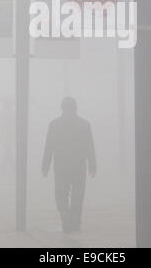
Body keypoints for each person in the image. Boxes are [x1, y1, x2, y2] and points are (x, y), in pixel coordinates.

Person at [42, 97, 96, 233]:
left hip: (61, 166)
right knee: (78, 195)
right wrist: (92, 166)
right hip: (79, 166)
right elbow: (90, 146)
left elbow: (49, 147)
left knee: (61, 194)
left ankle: (66, 218)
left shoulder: (54, 124)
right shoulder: (84, 124)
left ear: (62, 108)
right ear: (76, 108)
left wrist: (45, 166)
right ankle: (75, 222)